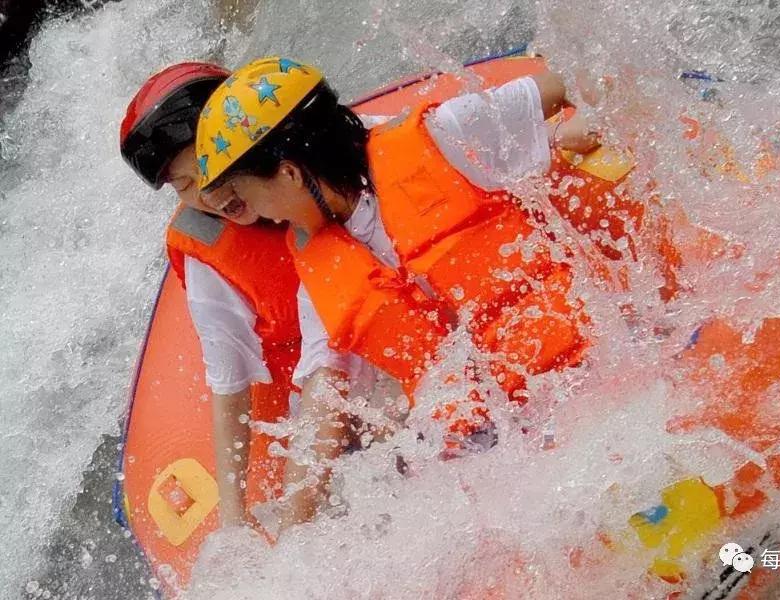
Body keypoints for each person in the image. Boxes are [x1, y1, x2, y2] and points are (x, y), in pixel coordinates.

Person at [194, 56, 602, 469]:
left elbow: (564, 83)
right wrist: (290, 526)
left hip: (595, 374)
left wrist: (578, 133)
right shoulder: (322, 265)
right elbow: (324, 398)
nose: (267, 216)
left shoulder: (443, 136)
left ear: (289, 175)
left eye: (253, 196)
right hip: (505, 445)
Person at [119, 62, 302, 527]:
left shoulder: (309, 162)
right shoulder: (209, 254)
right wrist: (235, 519)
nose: (211, 192)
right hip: (306, 372)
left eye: (207, 165)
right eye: (185, 186)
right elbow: (229, 381)